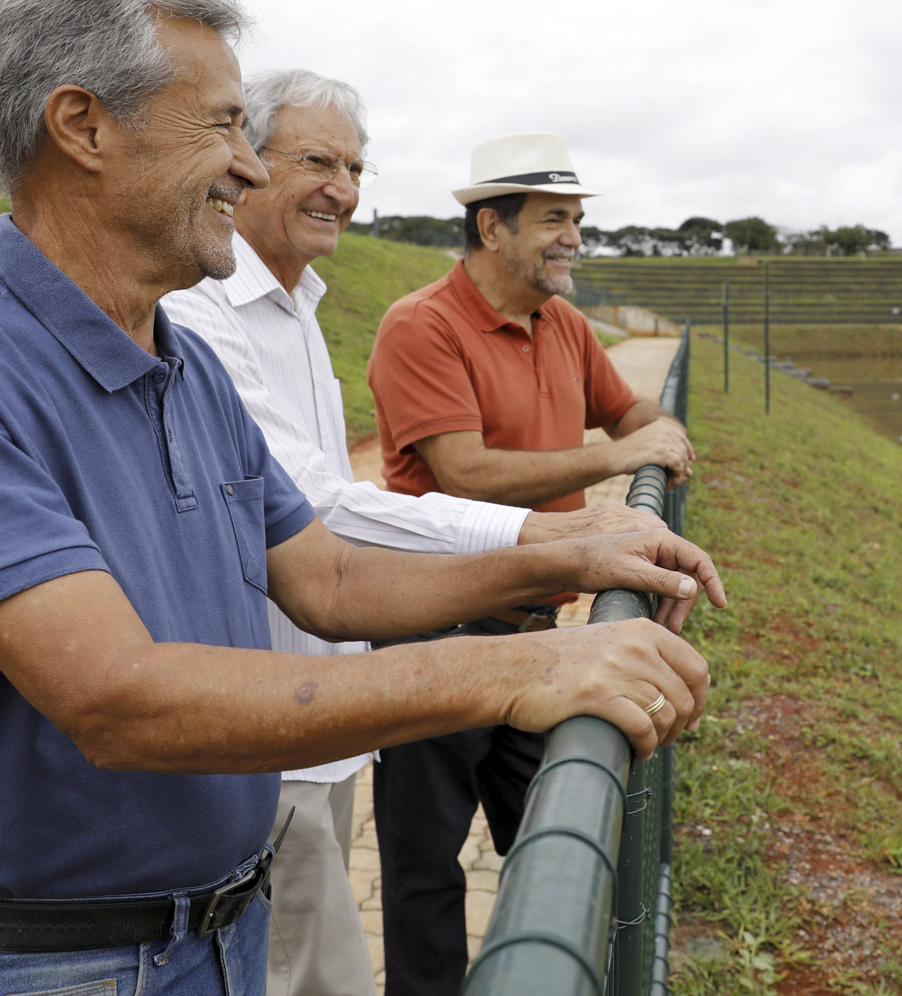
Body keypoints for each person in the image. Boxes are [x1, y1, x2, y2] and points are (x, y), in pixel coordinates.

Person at [0, 0, 725, 996]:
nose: (248, 166)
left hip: (223, 929)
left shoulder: (182, 363)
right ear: (83, 126)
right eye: (224, 125)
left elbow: (327, 579)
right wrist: (508, 673)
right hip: (52, 961)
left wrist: (569, 553)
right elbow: (118, 697)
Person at [158, 72, 666, 996]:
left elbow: (633, 416)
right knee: (398, 890)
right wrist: (563, 535)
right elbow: (341, 500)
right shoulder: (375, 321)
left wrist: (626, 468)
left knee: (540, 846)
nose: (344, 188)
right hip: (382, 642)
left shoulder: (299, 303)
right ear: (491, 226)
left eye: (355, 165)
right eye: (317, 159)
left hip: (361, 665)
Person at [365, 132, 696, 995]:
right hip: (432, 635)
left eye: (578, 220)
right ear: (490, 227)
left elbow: (631, 415)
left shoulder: (565, 325)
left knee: (563, 848)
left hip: (541, 635)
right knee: (424, 874)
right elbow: (465, 473)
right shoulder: (422, 326)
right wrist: (612, 466)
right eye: (554, 219)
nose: (574, 238)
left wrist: (662, 438)